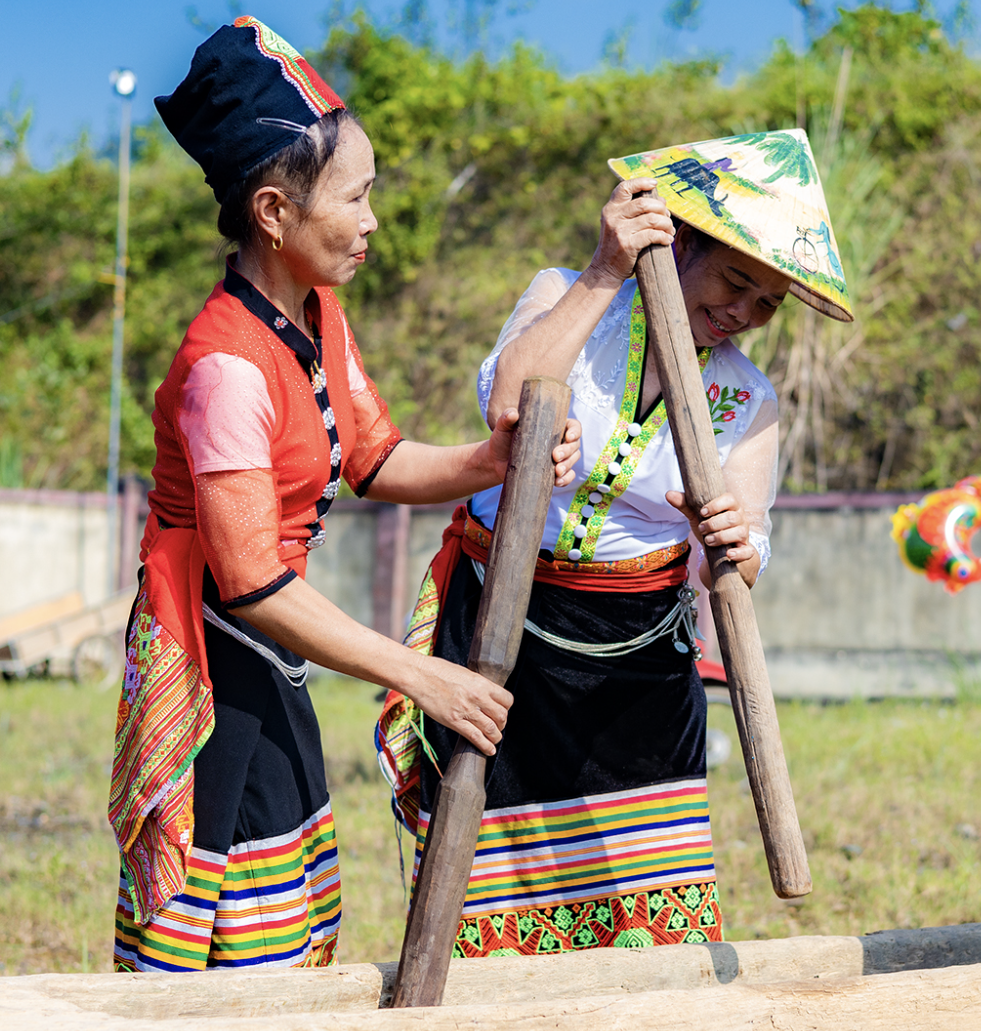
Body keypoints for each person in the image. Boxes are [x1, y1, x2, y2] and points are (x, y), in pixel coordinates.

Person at [109, 17, 579, 972]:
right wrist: (420, 674)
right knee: (221, 918)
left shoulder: (315, 310)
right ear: (275, 212)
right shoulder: (225, 368)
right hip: (217, 662)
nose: (372, 220)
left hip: (270, 652)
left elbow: (375, 457)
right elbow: (251, 583)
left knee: (282, 896)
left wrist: (499, 457)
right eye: (355, 198)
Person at [376, 130, 853, 956]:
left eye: (768, 304)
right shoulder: (568, 292)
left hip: (637, 663)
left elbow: (731, 560)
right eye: (736, 281)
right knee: (487, 890)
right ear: (681, 242)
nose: (744, 312)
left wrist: (732, 542)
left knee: (644, 907)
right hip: (506, 632)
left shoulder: (750, 396)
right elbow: (509, 396)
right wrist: (606, 270)